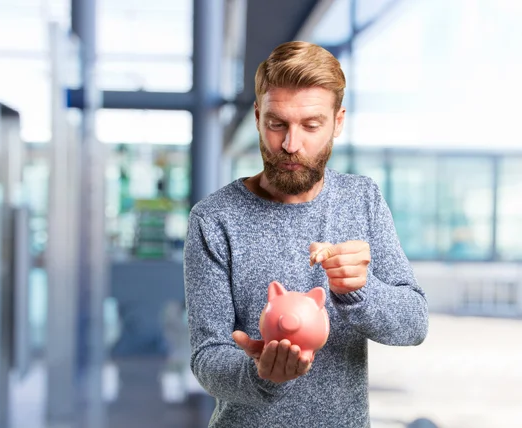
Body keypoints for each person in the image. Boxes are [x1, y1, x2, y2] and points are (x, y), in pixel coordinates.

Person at [183, 41, 428, 428]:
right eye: (276, 123)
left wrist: (360, 291)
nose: (290, 145)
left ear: (338, 121)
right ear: (258, 116)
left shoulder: (362, 199)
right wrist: (260, 374)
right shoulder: (214, 218)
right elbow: (207, 355)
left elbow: (413, 325)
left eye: (311, 126)